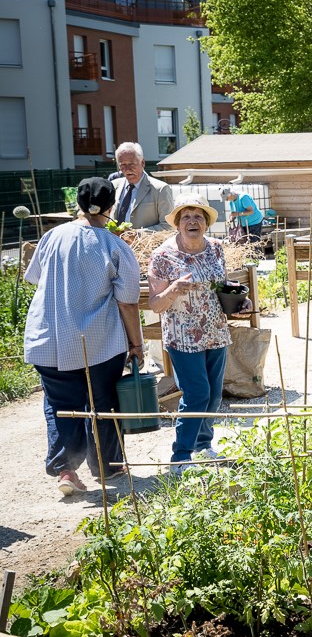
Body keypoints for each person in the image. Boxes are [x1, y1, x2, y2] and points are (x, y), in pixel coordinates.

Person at [24, 177, 144, 496]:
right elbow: (128, 302)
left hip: (47, 337)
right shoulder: (116, 246)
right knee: (102, 402)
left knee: (60, 404)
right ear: (111, 207)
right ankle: (109, 468)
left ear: (77, 203)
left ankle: (66, 470)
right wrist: (136, 344)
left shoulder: (51, 237)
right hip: (98, 341)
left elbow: (33, 277)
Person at [147, 195, 235, 472]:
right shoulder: (163, 256)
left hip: (215, 329)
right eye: (186, 216)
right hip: (182, 335)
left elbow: (221, 285)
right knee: (197, 393)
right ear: (177, 224)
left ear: (207, 223)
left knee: (213, 395)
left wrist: (238, 300)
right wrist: (172, 289)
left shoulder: (216, 249)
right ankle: (180, 457)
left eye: (198, 216)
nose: (192, 221)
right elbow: (155, 304)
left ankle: (203, 445)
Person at [112, 141, 174, 231]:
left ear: (143, 163)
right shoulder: (113, 186)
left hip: (145, 243)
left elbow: (168, 226)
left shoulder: (160, 189)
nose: (128, 169)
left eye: (132, 164)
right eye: (123, 165)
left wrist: (137, 234)